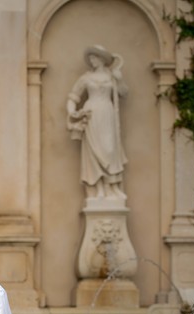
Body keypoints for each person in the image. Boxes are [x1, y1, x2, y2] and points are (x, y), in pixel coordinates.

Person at [66, 44, 128, 200]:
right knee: (94, 151)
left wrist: (119, 80)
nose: (91, 60)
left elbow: (123, 93)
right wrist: (72, 112)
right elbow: (73, 97)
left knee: (110, 149)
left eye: (94, 57)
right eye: (90, 58)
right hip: (92, 114)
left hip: (107, 114)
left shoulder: (112, 76)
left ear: (101, 59)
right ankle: (99, 188)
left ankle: (112, 186)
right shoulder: (86, 78)